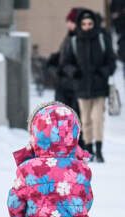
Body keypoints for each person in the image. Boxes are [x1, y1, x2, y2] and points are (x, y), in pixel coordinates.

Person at [60, 9, 116, 163]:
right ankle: (89, 149)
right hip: (81, 87)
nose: (87, 26)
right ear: (79, 24)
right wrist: (74, 72)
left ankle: (99, 150)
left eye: (90, 23)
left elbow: (111, 61)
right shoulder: (73, 40)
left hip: (99, 86)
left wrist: (103, 72)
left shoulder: (102, 38)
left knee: (97, 118)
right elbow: (65, 63)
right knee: (85, 120)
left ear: (94, 23)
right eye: (84, 23)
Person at [46, 9, 82, 123]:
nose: (68, 24)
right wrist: (54, 59)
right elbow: (65, 55)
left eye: (71, 22)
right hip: (63, 84)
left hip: (73, 86)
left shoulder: (81, 39)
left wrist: (64, 70)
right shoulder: (70, 36)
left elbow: (79, 63)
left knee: (73, 119)